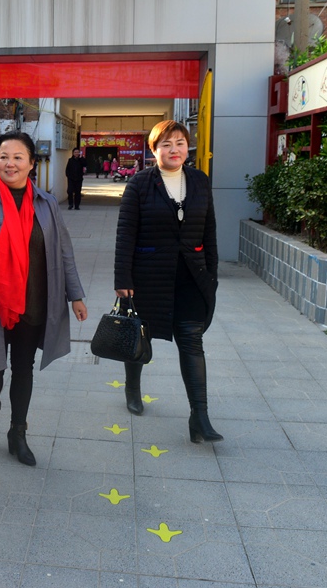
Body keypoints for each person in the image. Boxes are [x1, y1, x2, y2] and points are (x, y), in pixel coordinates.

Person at [0, 130, 88, 466]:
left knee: (23, 369)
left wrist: (76, 295)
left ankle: (18, 431)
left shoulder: (47, 204)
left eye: (17, 157)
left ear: (31, 164)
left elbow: (63, 252)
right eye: (3, 157)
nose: (9, 163)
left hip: (35, 302)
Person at [113, 120, 222, 444]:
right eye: (166, 144)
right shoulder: (140, 185)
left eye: (180, 143)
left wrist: (212, 275)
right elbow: (125, 235)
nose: (174, 150)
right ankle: (133, 389)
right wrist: (123, 278)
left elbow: (210, 232)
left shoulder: (200, 182)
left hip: (191, 276)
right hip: (148, 277)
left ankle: (199, 415)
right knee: (138, 337)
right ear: (154, 150)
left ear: (187, 147)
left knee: (191, 340)